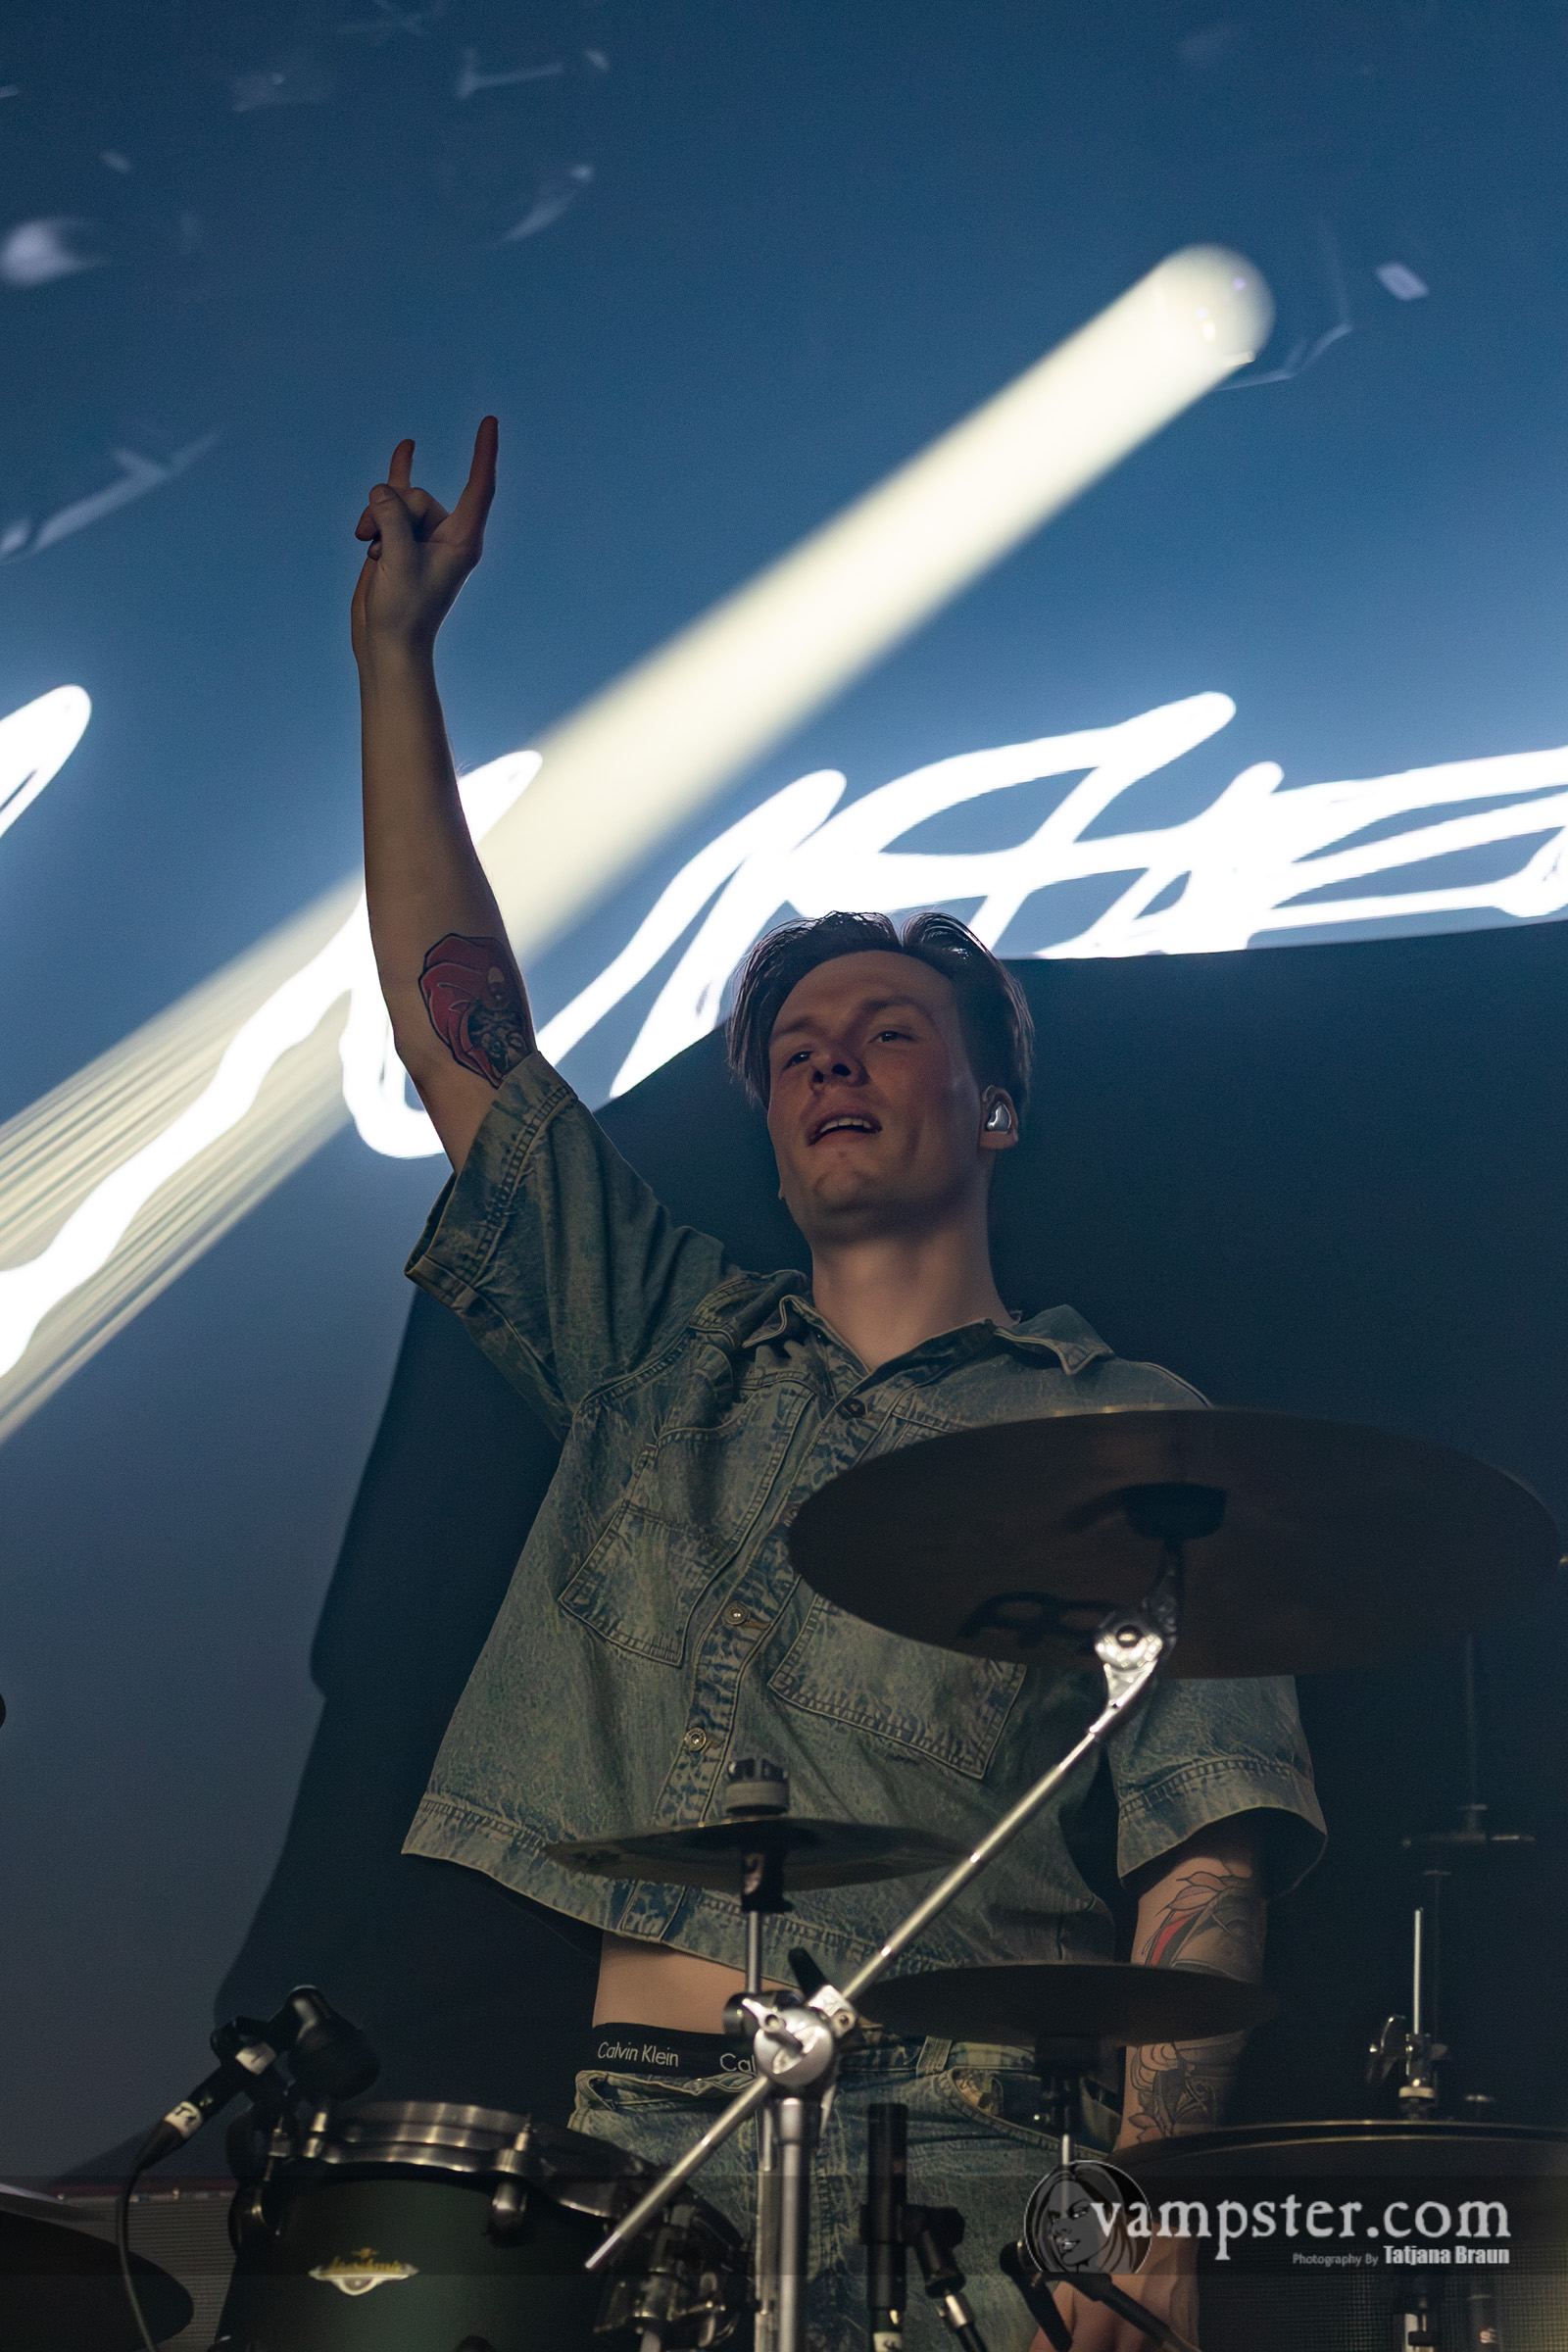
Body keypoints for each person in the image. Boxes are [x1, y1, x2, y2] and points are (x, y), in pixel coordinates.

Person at [352, 417, 1325, 2351]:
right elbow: (465, 1048)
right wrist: (397, 662)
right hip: (638, 2150)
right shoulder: (658, 1346)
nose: (829, 1060)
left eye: (886, 1030)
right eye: (796, 1045)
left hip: (972, 2153)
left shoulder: (1117, 1424)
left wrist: (1144, 2200)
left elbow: (1202, 1838)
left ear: (993, 1102)